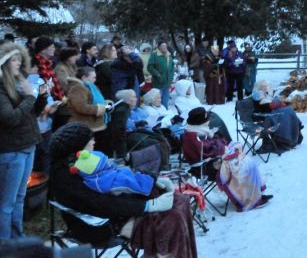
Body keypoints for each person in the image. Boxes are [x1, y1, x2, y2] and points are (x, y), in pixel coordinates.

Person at [48, 123, 197, 257]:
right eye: (90, 140)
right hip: (100, 225)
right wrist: (148, 206)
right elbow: (102, 203)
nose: (94, 141)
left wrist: (152, 183)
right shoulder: (68, 176)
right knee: (173, 218)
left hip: (113, 213)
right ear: (79, 148)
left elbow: (111, 178)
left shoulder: (83, 164)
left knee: (180, 200)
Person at [0, 42, 41, 240]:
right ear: (5, 62)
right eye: (14, 59)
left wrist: (40, 97)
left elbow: (31, 113)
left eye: (19, 59)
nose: (18, 63)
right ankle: (6, 245)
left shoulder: (21, 83)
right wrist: (30, 98)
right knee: (6, 203)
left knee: (20, 198)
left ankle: (17, 240)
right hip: (11, 150)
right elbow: (10, 118)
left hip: (27, 145)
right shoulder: (1, 87)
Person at [183, 107, 228, 180]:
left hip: (203, 163)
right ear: (202, 122)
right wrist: (219, 141)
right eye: (207, 120)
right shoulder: (196, 135)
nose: (209, 121)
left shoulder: (193, 130)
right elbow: (212, 151)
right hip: (202, 169)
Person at [65, 67, 110, 135]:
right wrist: (101, 108)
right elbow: (81, 107)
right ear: (84, 77)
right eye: (93, 77)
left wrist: (106, 104)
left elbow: (94, 101)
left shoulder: (91, 87)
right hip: (83, 126)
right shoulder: (78, 88)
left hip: (90, 124)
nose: (95, 80)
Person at [146, 41, 174, 108]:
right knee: (157, 100)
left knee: (165, 100)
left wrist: (171, 76)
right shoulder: (154, 55)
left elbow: (172, 67)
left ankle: (165, 113)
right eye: (163, 46)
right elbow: (149, 67)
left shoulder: (168, 55)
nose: (165, 48)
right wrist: (157, 74)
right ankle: (157, 114)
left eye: (165, 46)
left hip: (167, 82)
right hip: (158, 82)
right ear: (159, 47)